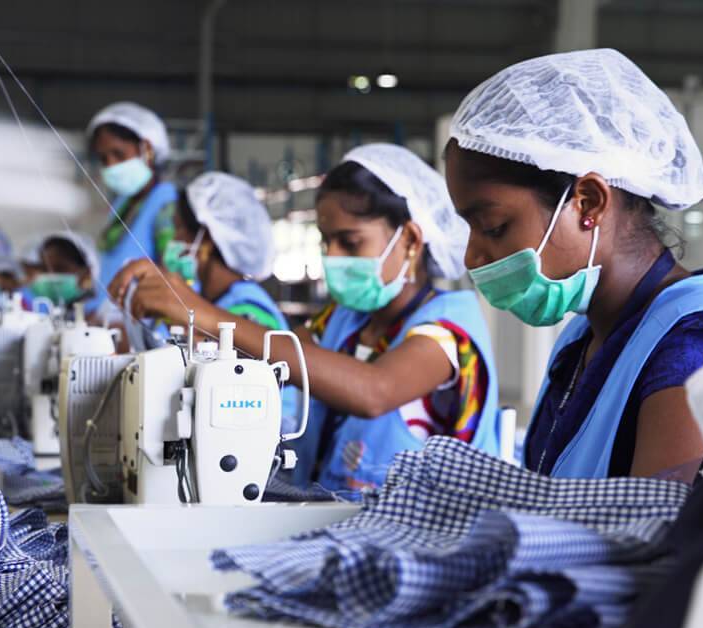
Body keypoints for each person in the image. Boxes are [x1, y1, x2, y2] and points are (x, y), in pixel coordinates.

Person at [444, 48, 703, 482]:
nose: (472, 257)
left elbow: (655, 542)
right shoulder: (584, 338)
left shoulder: (696, 351)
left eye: (493, 226)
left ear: (588, 203)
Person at [111, 144, 500, 492]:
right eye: (325, 241)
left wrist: (202, 313)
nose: (332, 256)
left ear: (412, 241)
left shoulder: (451, 328)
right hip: (330, 515)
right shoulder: (345, 319)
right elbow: (277, 354)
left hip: (426, 539)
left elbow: (374, 391)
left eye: (350, 242)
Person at [110, 171, 298, 422]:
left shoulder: (248, 306)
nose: (173, 241)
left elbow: (234, 376)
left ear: (206, 240)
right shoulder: (212, 301)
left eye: (178, 229)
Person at [87, 101, 177, 288]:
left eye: (119, 155)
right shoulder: (123, 204)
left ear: (148, 150)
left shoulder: (167, 206)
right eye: (104, 159)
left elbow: (172, 281)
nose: (111, 165)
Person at [33, 231, 121, 327]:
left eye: (60, 268)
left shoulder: (109, 317)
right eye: (44, 269)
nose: (51, 275)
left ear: (87, 272)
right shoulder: (45, 316)